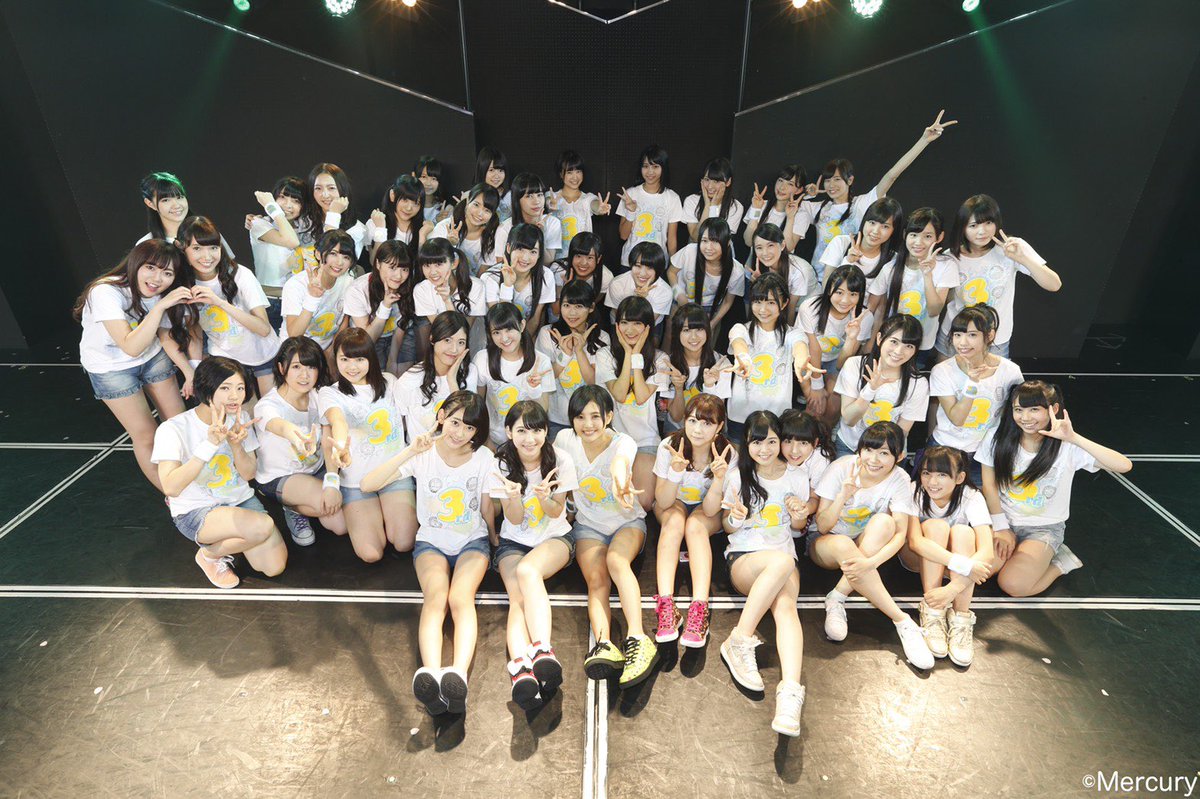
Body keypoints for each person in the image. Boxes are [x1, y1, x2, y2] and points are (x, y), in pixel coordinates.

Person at [363, 391, 498, 716]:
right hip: (431, 544)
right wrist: (410, 450)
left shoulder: (483, 458)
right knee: (436, 598)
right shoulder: (423, 453)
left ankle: (457, 676)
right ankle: (432, 674)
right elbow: (369, 484)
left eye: (469, 427)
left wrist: (494, 540)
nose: (460, 432)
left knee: (460, 598)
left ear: (477, 431)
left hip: (472, 543)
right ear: (441, 417)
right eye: (455, 422)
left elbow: (486, 506)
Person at [977, 381, 1132, 597]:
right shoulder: (997, 438)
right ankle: (1021, 557)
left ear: (1054, 409)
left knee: (1013, 585)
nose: (1025, 417)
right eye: (1018, 410)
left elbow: (1124, 465)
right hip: (1002, 521)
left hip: (1043, 530)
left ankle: (1061, 563)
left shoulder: (1068, 447)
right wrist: (1001, 527)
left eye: (1034, 409)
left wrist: (1074, 438)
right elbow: (989, 485)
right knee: (979, 571)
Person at [152, 357, 287, 588]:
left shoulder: (240, 419)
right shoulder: (173, 428)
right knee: (262, 527)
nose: (235, 396)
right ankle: (209, 556)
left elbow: (248, 474)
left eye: (240, 388)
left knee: (273, 566)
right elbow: (171, 487)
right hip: (197, 510)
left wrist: (236, 445)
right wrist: (210, 444)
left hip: (238, 501)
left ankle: (228, 539)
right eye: (225, 388)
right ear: (206, 388)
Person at [74, 240, 196, 490]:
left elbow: (164, 335)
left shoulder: (162, 292)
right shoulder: (105, 291)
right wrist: (160, 306)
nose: (157, 279)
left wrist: (188, 370)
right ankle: (174, 495)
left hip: (152, 357)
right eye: (150, 267)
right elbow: (130, 346)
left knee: (179, 423)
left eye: (167, 273)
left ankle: (196, 483)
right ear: (135, 264)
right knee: (146, 435)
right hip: (110, 368)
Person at [811, 421, 934, 670]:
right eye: (869, 449)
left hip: (864, 545)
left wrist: (870, 563)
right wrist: (843, 495)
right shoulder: (841, 468)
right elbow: (822, 525)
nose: (874, 459)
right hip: (826, 544)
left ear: (899, 456)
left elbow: (900, 534)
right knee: (843, 544)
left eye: (884, 453)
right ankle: (902, 620)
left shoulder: (900, 478)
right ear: (860, 449)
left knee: (885, 523)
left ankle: (837, 597)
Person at [556, 386, 655, 688]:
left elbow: (619, 464)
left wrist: (620, 482)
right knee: (596, 581)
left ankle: (638, 638)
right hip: (588, 526)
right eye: (580, 417)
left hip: (627, 521)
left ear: (609, 417)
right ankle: (604, 643)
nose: (588, 424)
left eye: (595, 416)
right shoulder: (564, 440)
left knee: (616, 561)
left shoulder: (623, 442)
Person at [717, 410, 808, 736]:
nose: (765, 449)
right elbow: (727, 526)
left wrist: (799, 515)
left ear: (780, 441)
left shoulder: (797, 476)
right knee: (782, 562)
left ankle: (790, 693)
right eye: (757, 442)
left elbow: (797, 528)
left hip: (783, 560)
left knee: (786, 608)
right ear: (747, 443)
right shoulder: (737, 476)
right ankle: (740, 639)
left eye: (771, 441)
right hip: (746, 560)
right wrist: (737, 517)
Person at [491, 401, 578, 709]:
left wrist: (543, 498)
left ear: (546, 431)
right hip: (513, 542)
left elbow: (556, 512)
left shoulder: (560, 460)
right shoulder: (501, 464)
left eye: (537, 430)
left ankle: (541, 650)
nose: (530, 439)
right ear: (509, 432)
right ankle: (522, 670)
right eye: (521, 431)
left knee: (528, 572)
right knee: (518, 598)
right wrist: (514, 498)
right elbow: (513, 520)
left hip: (555, 539)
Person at [652, 395, 735, 648]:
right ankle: (666, 606)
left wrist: (719, 479)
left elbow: (710, 511)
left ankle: (700, 609)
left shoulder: (727, 453)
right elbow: (663, 501)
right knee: (674, 522)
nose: (698, 429)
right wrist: (675, 472)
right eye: (692, 421)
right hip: (673, 503)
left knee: (695, 526)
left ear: (719, 426)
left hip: (706, 510)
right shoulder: (669, 446)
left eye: (707, 423)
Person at [900, 446, 993, 666]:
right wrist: (962, 565)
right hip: (916, 559)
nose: (932, 482)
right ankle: (933, 610)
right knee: (936, 526)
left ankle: (960, 616)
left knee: (964, 532)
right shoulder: (914, 490)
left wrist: (952, 589)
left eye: (942, 474)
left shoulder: (972, 496)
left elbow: (987, 552)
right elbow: (915, 542)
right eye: (926, 473)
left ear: (959, 477)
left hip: (952, 573)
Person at [253, 336, 346, 547]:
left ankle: (298, 503)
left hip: (316, 468)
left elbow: (329, 439)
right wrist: (296, 435)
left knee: (340, 526)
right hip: (280, 476)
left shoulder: (319, 396)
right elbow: (280, 426)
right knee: (328, 507)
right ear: (281, 368)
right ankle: (292, 507)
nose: (304, 375)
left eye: (311, 367)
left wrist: (332, 482)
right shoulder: (267, 406)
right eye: (296, 367)